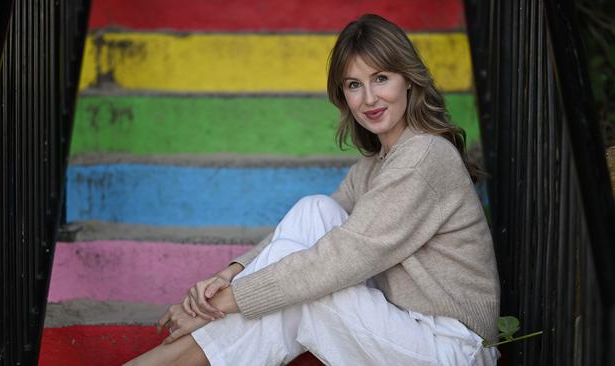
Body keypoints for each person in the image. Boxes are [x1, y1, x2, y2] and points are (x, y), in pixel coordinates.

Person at [126, 14, 500, 366]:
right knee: (315, 210)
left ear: (408, 79)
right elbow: (303, 235)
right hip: (406, 329)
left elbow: (340, 258)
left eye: (381, 78)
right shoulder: (376, 166)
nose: (369, 98)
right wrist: (228, 276)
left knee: (308, 291)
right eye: (354, 85)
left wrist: (225, 301)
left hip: (453, 348)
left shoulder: (424, 156)